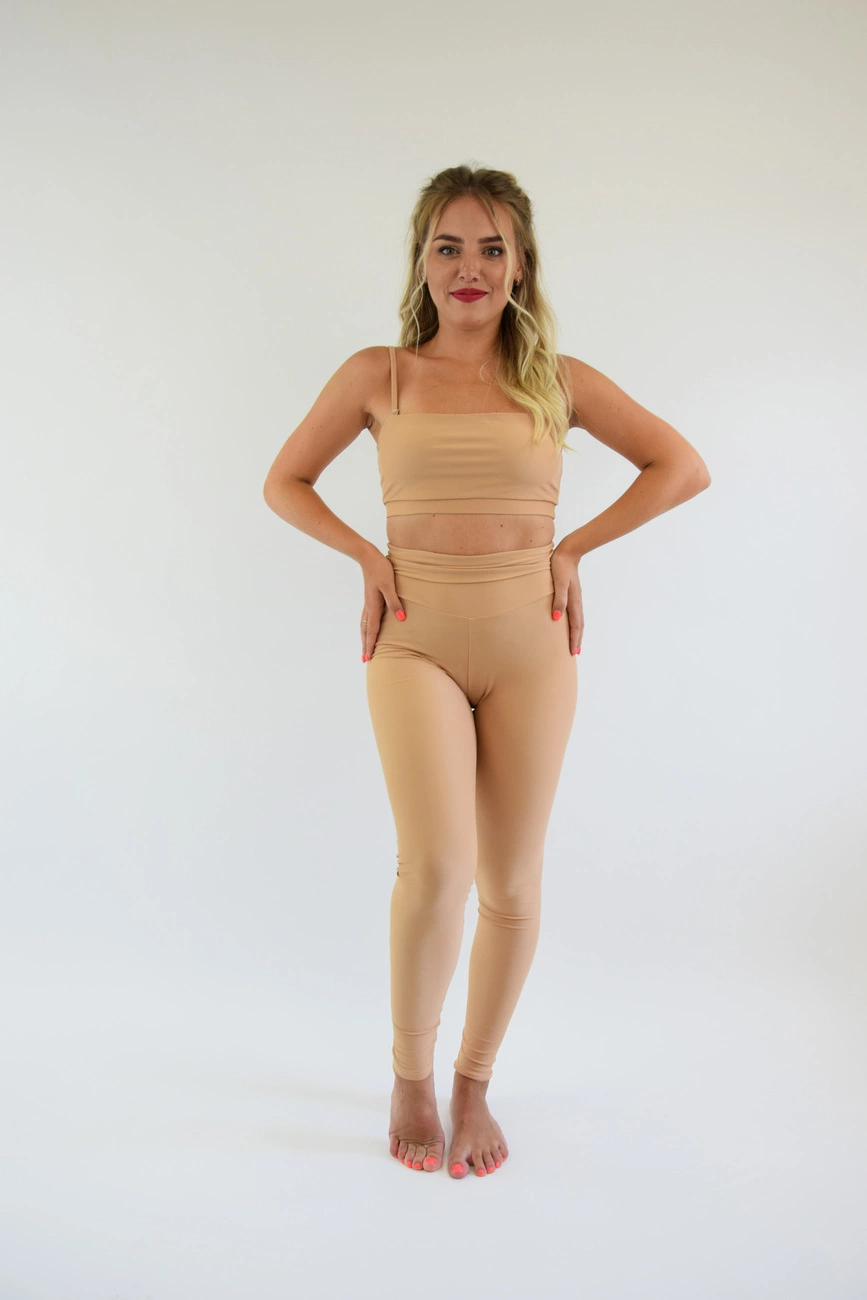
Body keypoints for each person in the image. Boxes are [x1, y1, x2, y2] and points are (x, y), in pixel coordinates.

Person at [263, 164, 711, 1180]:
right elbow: (284, 480)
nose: (469, 268)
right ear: (421, 262)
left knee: (509, 882)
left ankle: (473, 1082)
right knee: (437, 868)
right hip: (414, 634)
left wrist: (574, 548)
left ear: (521, 265)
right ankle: (410, 1075)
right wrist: (365, 557)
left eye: (491, 248)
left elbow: (680, 465)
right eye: (448, 246)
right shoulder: (377, 375)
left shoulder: (559, 380)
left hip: (530, 642)